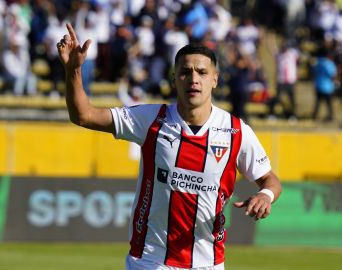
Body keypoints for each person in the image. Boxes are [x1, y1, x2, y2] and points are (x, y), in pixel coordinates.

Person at [56, 24, 282, 270]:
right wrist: (74, 70)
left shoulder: (236, 131)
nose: (194, 79)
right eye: (185, 71)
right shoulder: (151, 118)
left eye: (202, 72)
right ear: (174, 79)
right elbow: (83, 115)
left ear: (214, 80)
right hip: (151, 261)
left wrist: (265, 195)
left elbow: (270, 180)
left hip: (208, 263)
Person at [312, 49, 337, 121]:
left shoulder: (319, 61)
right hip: (327, 87)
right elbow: (332, 75)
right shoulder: (329, 63)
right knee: (328, 104)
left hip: (318, 85)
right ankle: (330, 116)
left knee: (317, 103)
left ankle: (314, 116)